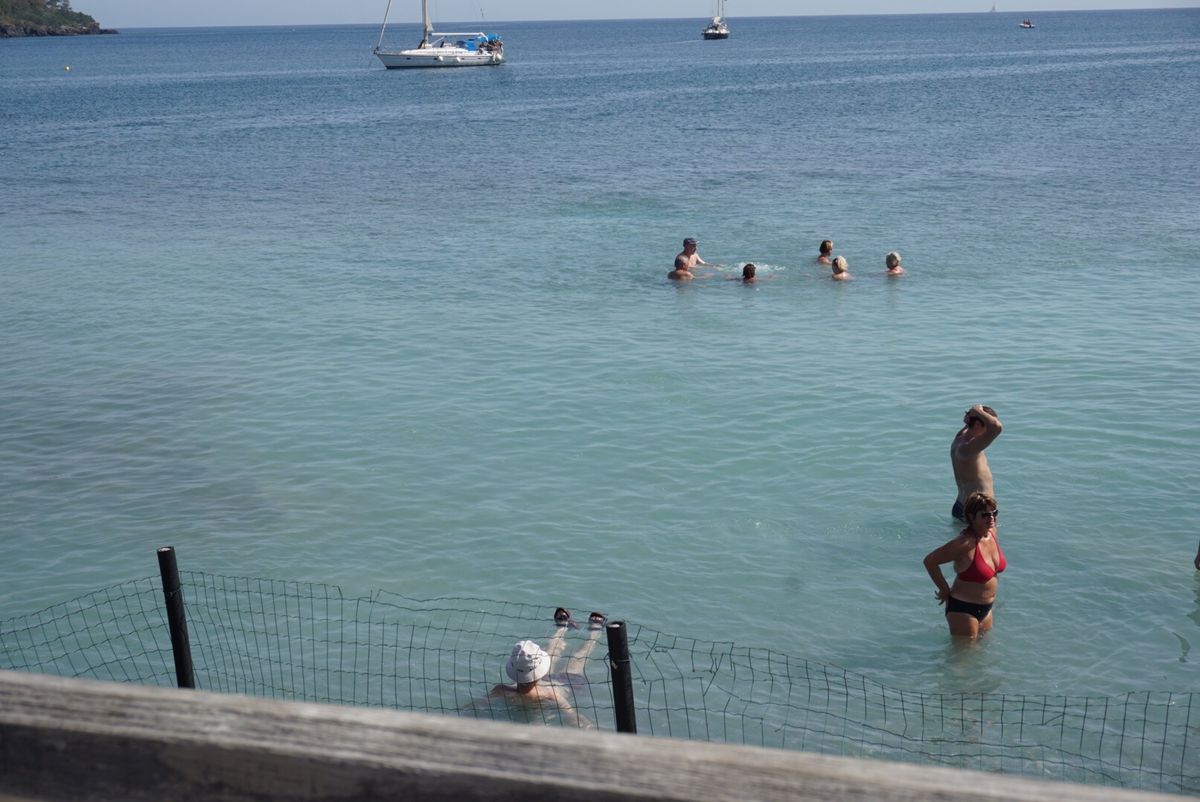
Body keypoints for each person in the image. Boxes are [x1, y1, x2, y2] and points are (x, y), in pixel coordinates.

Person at [475, 608, 607, 729]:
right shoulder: (550, 695)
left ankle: (563, 628)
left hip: (547, 681)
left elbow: (477, 704)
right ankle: (591, 632)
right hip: (562, 683)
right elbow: (571, 714)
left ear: (514, 671)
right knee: (577, 657)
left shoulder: (501, 690)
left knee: (570, 656)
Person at [923, 492, 1006, 638]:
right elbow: (930, 561)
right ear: (971, 517)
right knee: (962, 658)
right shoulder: (964, 544)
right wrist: (944, 589)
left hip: (987, 608)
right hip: (963, 609)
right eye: (985, 515)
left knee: (978, 656)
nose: (991, 517)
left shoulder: (991, 533)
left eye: (994, 513)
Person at [950, 405, 1002, 520]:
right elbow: (996, 427)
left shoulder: (959, 439)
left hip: (960, 506)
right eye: (986, 426)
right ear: (978, 425)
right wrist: (978, 411)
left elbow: (979, 425)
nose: (987, 431)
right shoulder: (969, 448)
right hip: (979, 511)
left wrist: (974, 415)